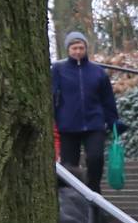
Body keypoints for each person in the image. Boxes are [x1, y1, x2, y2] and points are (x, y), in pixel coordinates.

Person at [51, 31, 120, 193]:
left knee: (96, 158)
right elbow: (52, 95)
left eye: (81, 48)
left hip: (94, 123)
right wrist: (53, 118)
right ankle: (72, 194)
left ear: (86, 48)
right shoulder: (58, 70)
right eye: (74, 48)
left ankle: (94, 191)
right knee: (69, 165)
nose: (78, 51)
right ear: (68, 49)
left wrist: (113, 121)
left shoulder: (98, 72)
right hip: (68, 125)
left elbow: (107, 99)